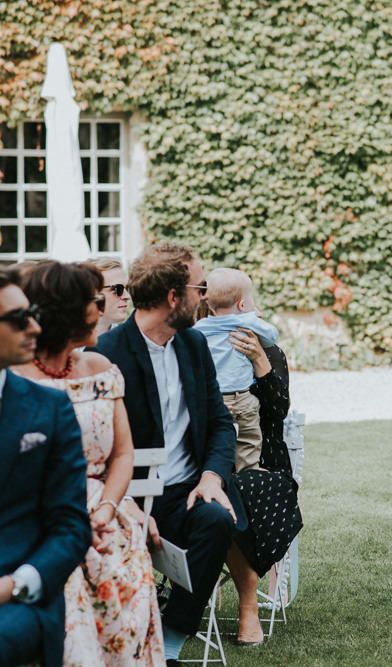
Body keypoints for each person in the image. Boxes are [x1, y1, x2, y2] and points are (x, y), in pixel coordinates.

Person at [93, 241, 252, 665]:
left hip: (188, 492)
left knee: (218, 518)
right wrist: (123, 503)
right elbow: (96, 451)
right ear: (172, 297)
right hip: (126, 499)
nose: (205, 296)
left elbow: (220, 422)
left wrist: (212, 477)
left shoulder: (193, 346)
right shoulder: (106, 356)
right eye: (200, 288)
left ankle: (169, 643)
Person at [12, 261, 164, 666]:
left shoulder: (100, 370)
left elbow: (122, 453)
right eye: (94, 301)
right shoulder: (13, 379)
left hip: (108, 512)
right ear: (65, 312)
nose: (102, 310)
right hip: (42, 517)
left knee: (126, 582)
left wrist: (108, 508)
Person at [0, 270, 91, 667]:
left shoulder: (49, 409)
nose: (34, 326)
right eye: (19, 318)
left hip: (17, 597)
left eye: (33, 313)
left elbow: (71, 527)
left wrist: (16, 583)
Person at [226, 326, 303, 644]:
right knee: (207, 491)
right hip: (207, 461)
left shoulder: (270, 351)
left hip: (265, 463)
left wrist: (259, 359)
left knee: (237, 493)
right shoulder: (195, 348)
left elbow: (278, 410)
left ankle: (249, 604)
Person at [193, 268, 279, 472]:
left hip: (215, 398)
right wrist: (256, 319)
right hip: (242, 395)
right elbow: (272, 337)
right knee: (249, 435)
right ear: (242, 304)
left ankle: (214, 469)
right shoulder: (247, 321)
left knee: (215, 434)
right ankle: (249, 468)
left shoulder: (201, 327)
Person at [90, 258, 131, 335]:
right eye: (117, 289)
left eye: (127, 288)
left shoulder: (126, 340)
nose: (127, 296)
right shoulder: (65, 342)